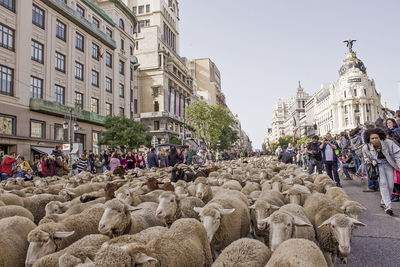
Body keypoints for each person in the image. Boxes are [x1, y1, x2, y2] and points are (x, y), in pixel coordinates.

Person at [362, 127, 400, 216]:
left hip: (389, 164)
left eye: (376, 138)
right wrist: (368, 161)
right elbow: (365, 156)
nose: (374, 140)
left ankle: (384, 201)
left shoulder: (388, 143)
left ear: (380, 137)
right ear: (369, 139)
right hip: (378, 165)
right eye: (372, 138)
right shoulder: (366, 147)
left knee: (390, 185)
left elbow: (398, 154)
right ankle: (388, 206)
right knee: (383, 184)